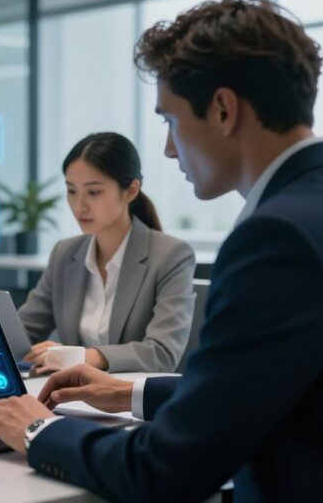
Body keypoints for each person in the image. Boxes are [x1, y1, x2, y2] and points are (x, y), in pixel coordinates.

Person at [0, 0, 323, 502]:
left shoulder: (279, 237)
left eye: (170, 121)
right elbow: (279, 387)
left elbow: (164, 470)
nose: (170, 149)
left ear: (222, 110)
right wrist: (127, 391)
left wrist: (39, 430)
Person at [17, 132, 195, 374]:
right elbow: (23, 332)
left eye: (94, 192)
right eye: (71, 191)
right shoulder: (65, 254)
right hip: (69, 397)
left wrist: (79, 356)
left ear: (131, 191)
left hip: (130, 404)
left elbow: (162, 353)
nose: (80, 205)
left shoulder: (171, 255)